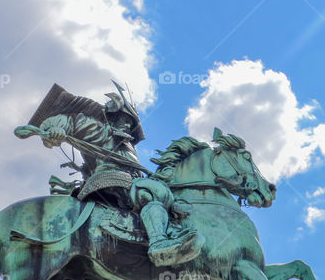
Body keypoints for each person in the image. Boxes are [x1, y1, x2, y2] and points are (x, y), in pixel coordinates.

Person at [24, 82, 202, 267]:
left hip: (129, 182)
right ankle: (159, 243)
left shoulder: (128, 145)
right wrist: (55, 129)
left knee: (158, 192)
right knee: (148, 193)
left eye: (130, 123)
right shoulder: (98, 129)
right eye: (123, 119)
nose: (126, 124)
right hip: (110, 181)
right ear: (112, 115)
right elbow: (66, 122)